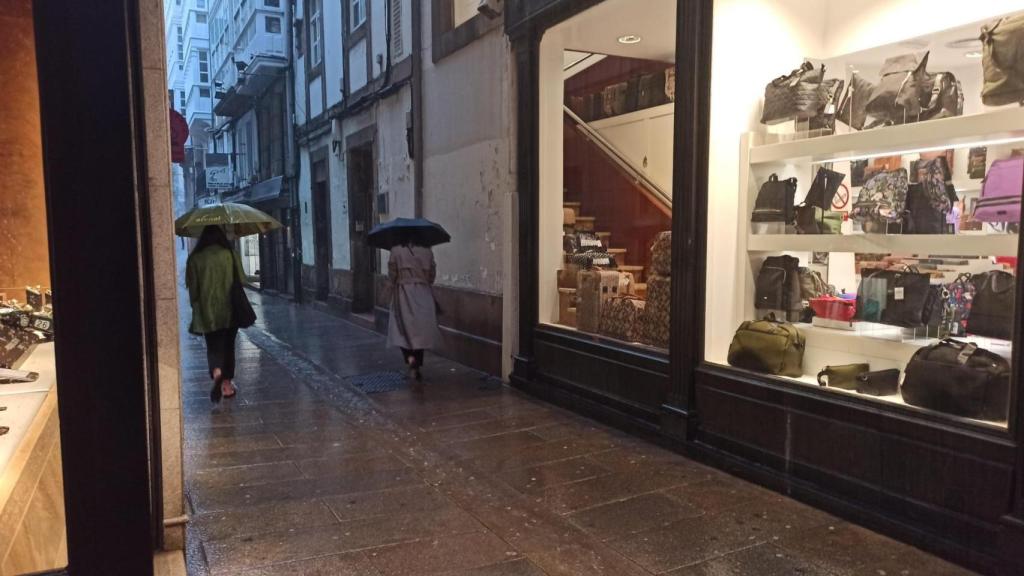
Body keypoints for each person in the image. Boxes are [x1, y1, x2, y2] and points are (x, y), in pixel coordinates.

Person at [186, 225, 245, 402]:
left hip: (207, 311)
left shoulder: (195, 259)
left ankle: (217, 371)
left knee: (213, 345)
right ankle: (226, 385)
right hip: (230, 309)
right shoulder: (231, 254)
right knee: (229, 345)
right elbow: (242, 279)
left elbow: (193, 291)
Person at [386, 235, 442, 386]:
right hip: (423, 293)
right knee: (419, 330)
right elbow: (432, 275)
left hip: (402, 293)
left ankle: (409, 358)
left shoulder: (396, 250)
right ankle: (416, 362)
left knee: (402, 328)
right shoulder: (427, 251)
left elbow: (392, 275)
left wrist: (394, 284)